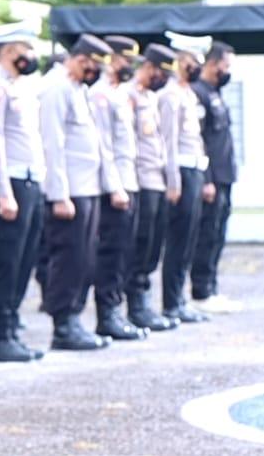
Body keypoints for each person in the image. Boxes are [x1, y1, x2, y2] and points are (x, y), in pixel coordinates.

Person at [0, 22, 48, 364]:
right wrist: (3, 192)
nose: (30, 56)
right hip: (10, 184)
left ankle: (12, 326)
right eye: (25, 50)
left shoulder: (23, 89)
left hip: (30, 181)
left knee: (24, 260)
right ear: (8, 52)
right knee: (5, 262)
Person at [40, 34, 123, 351]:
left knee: (85, 258)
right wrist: (59, 194)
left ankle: (74, 316)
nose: (95, 73)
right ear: (79, 60)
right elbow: (53, 143)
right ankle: (64, 323)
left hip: (87, 187)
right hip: (70, 190)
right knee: (69, 258)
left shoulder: (78, 89)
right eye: (92, 66)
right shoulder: (57, 88)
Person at [90, 36, 147, 342]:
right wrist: (115, 187)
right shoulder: (99, 94)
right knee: (111, 252)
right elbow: (104, 146)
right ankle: (107, 313)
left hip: (128, 180)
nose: (130, 67)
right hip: (115, 187)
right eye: (126, 60)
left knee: (126, 250)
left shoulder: (120, 94)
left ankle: (117, 310)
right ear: (111, 59)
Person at [125, 43, 179, 333]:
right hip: (141, 181)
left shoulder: (151, 97)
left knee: (153, 246)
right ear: (147, 67)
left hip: (156, 179)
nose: (163, 79)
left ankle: (143, 302)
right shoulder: (130, 95)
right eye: (160, 73)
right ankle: (136, 305)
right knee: (140, 244)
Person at [161, 32, 212, 324]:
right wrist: (173, 182)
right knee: (178, 240)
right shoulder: (170, 95)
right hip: (180, 170)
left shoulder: (188, 94)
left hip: (195, 168)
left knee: (190, 238)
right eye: (193, 61)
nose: (197, 67)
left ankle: (180, 299)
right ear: (180, 61)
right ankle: (171, 303)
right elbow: (168, 142)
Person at [190, 41, 239, 313]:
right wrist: (207, 179)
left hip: (224, 175)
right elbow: (199, 140)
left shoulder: (214, 93)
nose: (227, 71)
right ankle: (201, 291)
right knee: (207, 235)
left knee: (218, 234)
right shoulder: (198, 93)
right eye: (225, 66)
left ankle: (211, 288)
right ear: (211, 64)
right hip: (211, 177)